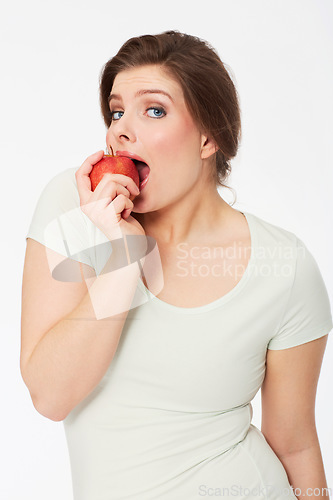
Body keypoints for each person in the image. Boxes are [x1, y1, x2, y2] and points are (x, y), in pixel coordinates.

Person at [20, 30, 332, 499]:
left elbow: (296, 448)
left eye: (155, 110)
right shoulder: (73, 209)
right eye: (117, 110)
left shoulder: (282, 265)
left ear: (209, 138)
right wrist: (124, 260)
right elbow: (50, 395)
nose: (121, 129)